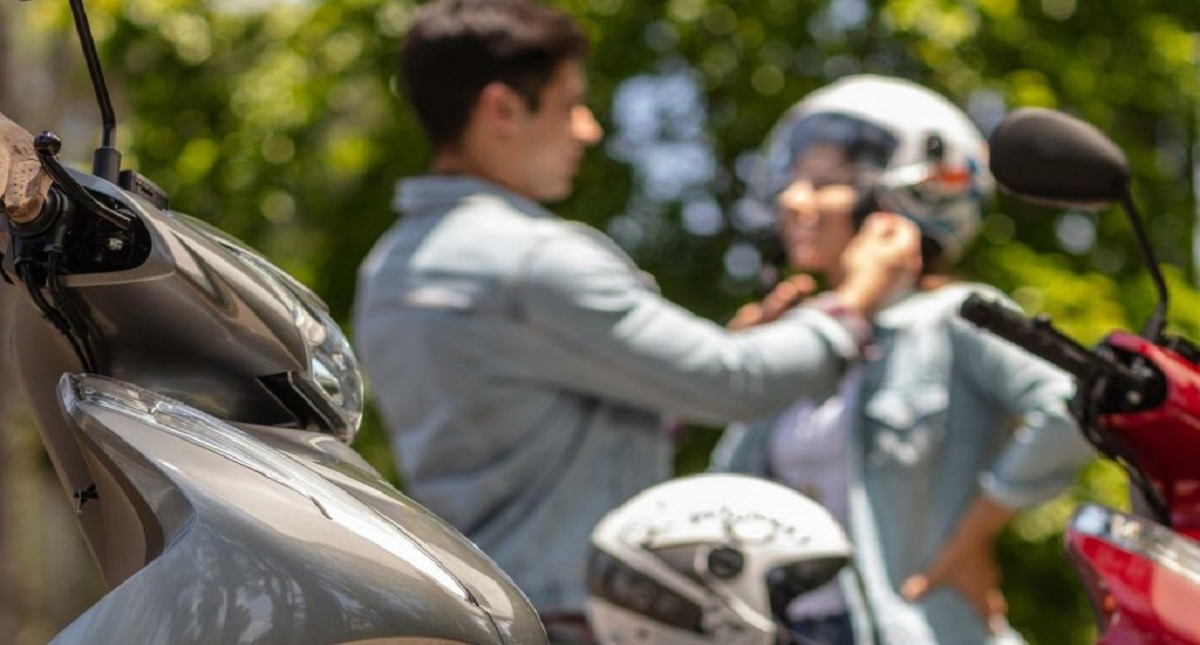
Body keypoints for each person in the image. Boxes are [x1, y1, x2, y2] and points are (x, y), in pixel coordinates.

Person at [351, 2, 923, 641]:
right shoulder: (535, 260)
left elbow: (533, 430)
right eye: (571, 105)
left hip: (474, 609)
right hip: (574, 618)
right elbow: (736, 383)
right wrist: (855, 303)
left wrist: (701, 366)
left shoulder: (390, 266)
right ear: (502, 110)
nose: (589, 130)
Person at [711, 75, 1095, 645]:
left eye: (824, 184)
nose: (793, 201)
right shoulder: (798, 335)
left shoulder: (955, 318)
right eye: (793, 182)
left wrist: (974, 538)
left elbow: (1073, 403)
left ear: (898, 201)